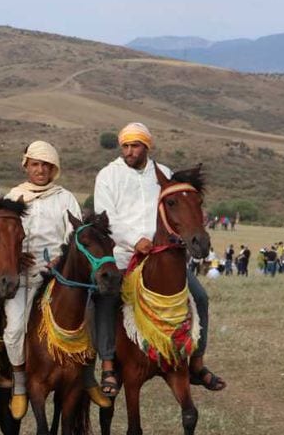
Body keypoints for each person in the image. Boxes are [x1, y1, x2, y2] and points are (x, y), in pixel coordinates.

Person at [92, 122, 224, 395]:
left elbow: (177, 212)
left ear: (146, 147)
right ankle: (107, 364)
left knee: (199, 296)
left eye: (135, 145)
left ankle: (197, 363)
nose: (130, 151)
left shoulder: (163, 173)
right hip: (122, 253)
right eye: (125, 146)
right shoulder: (108, 175)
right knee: (104, 299)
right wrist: (134, 240)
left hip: (160, 255)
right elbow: (106, 217)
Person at [1, 141, 94, 418]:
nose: (40, 170)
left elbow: (74, 236)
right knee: (14, 327)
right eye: (35, 164)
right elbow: (3, 236)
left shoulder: (65, 198)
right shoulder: (15, 197)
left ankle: (87, 377)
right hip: (22, 274)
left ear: (54, 169)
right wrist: (16, 257)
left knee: (86, 320)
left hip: (59, 273)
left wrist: (61, 259)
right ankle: (19, 384)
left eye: (45, 165)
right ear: (26, 166)